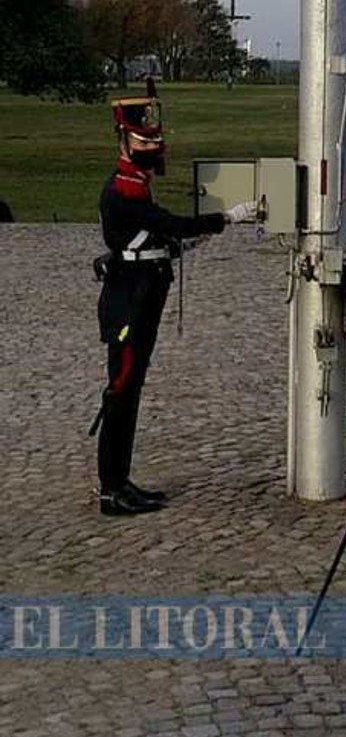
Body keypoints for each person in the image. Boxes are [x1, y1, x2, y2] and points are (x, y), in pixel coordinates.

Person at [95, 83, 260, 516]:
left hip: (142, 294)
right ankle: (111, 489)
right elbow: (169, 223)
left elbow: (154, 238)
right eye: (144, 140)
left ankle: (120, 481)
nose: (153, 146)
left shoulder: (134, 184)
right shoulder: (125, 189)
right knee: (122, 391)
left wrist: (181, 246)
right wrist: (226, 218)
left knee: (130, 391)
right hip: (130, 302)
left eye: (155, 140)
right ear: (124, 141)